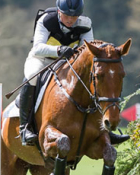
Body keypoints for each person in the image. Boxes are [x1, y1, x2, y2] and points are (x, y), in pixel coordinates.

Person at [19, 0, 129, 146]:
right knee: (31, 76)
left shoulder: (85, 24)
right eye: (66, 16)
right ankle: (25, 128)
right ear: (59, 12)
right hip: (42, 60)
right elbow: (37, 47)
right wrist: (59, 50)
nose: (70, 20)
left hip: (67, 62)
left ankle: (105, 130)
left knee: (91, 81)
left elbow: (88, 52)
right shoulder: (46, 20)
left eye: (75, 16)